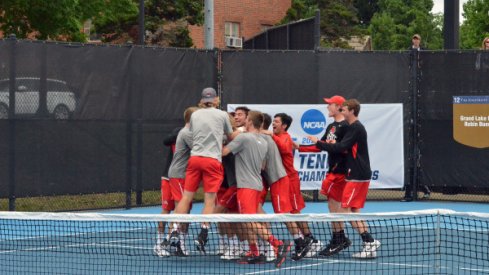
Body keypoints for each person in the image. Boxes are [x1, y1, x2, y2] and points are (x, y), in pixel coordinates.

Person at [306, 99, 380, 259]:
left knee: (346, 210)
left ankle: (370, 241)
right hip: (355, 174)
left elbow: (340, 147)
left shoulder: (355, 128)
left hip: (357, 174)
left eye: (344, 109)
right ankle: (369, 245)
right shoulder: (352, 128)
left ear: (352, 111)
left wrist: (318, 142)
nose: (342, 110)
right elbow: (337, 145)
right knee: (352, 209)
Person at [171, 87, 236, 254]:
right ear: (215, 100)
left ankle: (175, 229)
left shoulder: (194, 115)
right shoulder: (222, 115)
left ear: (201, 100)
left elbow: (196, 134)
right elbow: (230, 137)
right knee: (210, 198)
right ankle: (204, 230)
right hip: (212, 161)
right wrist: (242, 133)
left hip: (194, 160)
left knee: (186, 196)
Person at [222, 111, 291, 267]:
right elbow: (263, 166)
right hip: (257, 185)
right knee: (256, 218)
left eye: (246, 119)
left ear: (250, 122)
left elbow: (224, 152)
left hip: (246, 186)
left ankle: (278, 244)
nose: (243, 121)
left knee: (247, 221)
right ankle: (255, 252)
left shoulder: (244, 138)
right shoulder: (263, 141)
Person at [299, 95, 351, 257]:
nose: (328, 107)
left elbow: (344, 148)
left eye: (330, 105)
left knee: (338, 208)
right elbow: (319, 146)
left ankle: (342, 238)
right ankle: (338, 238)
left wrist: (326, 144)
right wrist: (298, 147)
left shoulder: (346, 127)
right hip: (333, 171)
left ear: (339, 106)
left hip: (341, 172)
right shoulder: (331, 126)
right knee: (332, 206)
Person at [264, 113, 319, 260]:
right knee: (290, 212)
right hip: (282, 180)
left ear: (284, 126)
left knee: (294, 211)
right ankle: (307, 239)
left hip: (290, 179)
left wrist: (270, 135)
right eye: (273, 122)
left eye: (276, 122)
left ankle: (309, 239)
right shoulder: (274, 137)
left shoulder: (286, 138)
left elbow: (283, 147)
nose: (273, 124)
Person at [154, 125, 182, 257]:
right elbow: (166, 140)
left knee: (179, 207)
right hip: (167, 177)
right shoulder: (179, 131)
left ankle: (171, 239)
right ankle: (159, 243)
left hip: (181, 178)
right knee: (166, 210)